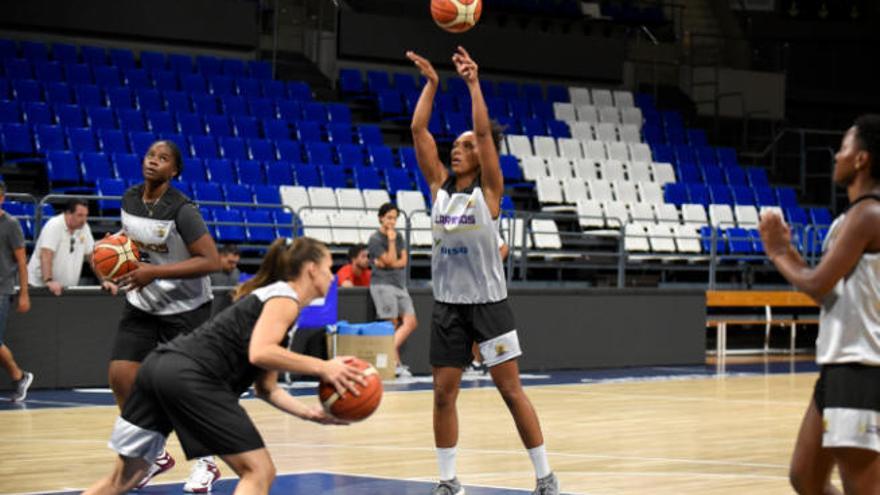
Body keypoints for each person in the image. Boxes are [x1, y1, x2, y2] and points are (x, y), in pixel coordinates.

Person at [82, 237, 366, 495]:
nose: (332, 276)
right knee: (259, 472)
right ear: (311, 269)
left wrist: (310, 415)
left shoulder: (276, 300)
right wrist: (325, 367)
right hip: (193, 376)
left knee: (124, 478)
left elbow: (267, 389)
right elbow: (260, 352)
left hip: (159, 368)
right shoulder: (285, 298)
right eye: (329, 267)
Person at [407, 47, 558, 495]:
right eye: (455, 144)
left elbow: (486, 136)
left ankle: (545, 476)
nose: (458, 148)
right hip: (449, 307)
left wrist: (473, 83)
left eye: (467, 145)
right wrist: (432, 85)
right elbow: (418, 130)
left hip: (489, 305)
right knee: (442, 394)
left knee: (511, 393)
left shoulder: (489, 194)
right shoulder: (438, 188)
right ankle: (448, 480)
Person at [760, 115, 880, 494]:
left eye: (843, 148)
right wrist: (789, 253)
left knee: (861, 486)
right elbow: (823, 291)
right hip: (838, 367)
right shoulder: (849, 219)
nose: (836, 157)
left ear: (861, 159)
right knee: (806, 476)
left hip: (861, 369)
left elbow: (817, 281)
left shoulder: (869, 214)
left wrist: (779, 252)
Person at [103, 140, 224, 492]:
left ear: (175, 171)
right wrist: (112, 264)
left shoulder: (183, 210)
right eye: (150, 155)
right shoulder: (128, 199)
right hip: (143, 303)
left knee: (183, 389)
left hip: (186, 308)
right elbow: (129, 243)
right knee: (121, 376)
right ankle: (153, 454)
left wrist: (153, 273)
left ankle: (207, 462)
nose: (154, 161)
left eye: (163, 158)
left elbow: (210, 261)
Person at [367, 203, 417, 378]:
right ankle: (395, 364)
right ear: (381, 218)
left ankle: (390, 354)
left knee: (411, 322)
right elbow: (389, 260)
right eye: (389, 217)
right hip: (382, 285)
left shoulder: (400, 236)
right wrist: (390, 241)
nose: (392, 221)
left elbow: (402, 262)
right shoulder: (375, 239)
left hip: (399, 284)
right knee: (392, 325)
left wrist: (389, 262)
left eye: (395, 218)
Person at [0, 183, 31, 402]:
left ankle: (19, 376)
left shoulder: (10, 224)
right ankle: (19, 376)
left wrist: (24, 293)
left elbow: (22, 262)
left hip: (2, 290)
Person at [27, 198, 94, 294]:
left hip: (64, 289)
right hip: (39, 287)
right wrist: (49, 281)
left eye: (86, 216)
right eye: (80, 215)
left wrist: (104, 280)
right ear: (68, 213)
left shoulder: (84, 228)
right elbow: (46, 254)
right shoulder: (54, 225)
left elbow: (92, 256)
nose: (84, 220)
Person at [210, 244, 242, 316]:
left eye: (236, 263)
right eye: (230, 262)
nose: (234, 266)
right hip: (207, 317)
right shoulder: (209, 272)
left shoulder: (236, 272)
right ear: (221, 257)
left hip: (225, 316)